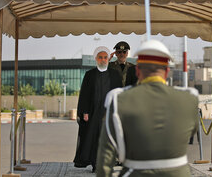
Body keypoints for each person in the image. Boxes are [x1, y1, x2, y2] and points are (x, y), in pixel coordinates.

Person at [96, 40, 199, 177]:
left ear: (137, 71)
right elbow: (191, 133)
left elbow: (105, 156)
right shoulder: (189, 99)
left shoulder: (118, 100)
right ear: (167, 71)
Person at [73, 46, 122, 172]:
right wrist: (84, 112)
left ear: (108, 59)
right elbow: (84, 95)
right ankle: (95, 164)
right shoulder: (90, 75)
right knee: (94, 139)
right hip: (93, 112)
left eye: (105, 57)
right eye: (100, 57)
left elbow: (119, 94)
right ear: (96, 59)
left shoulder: (115, 75)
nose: (103, 60)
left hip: (109, 113)